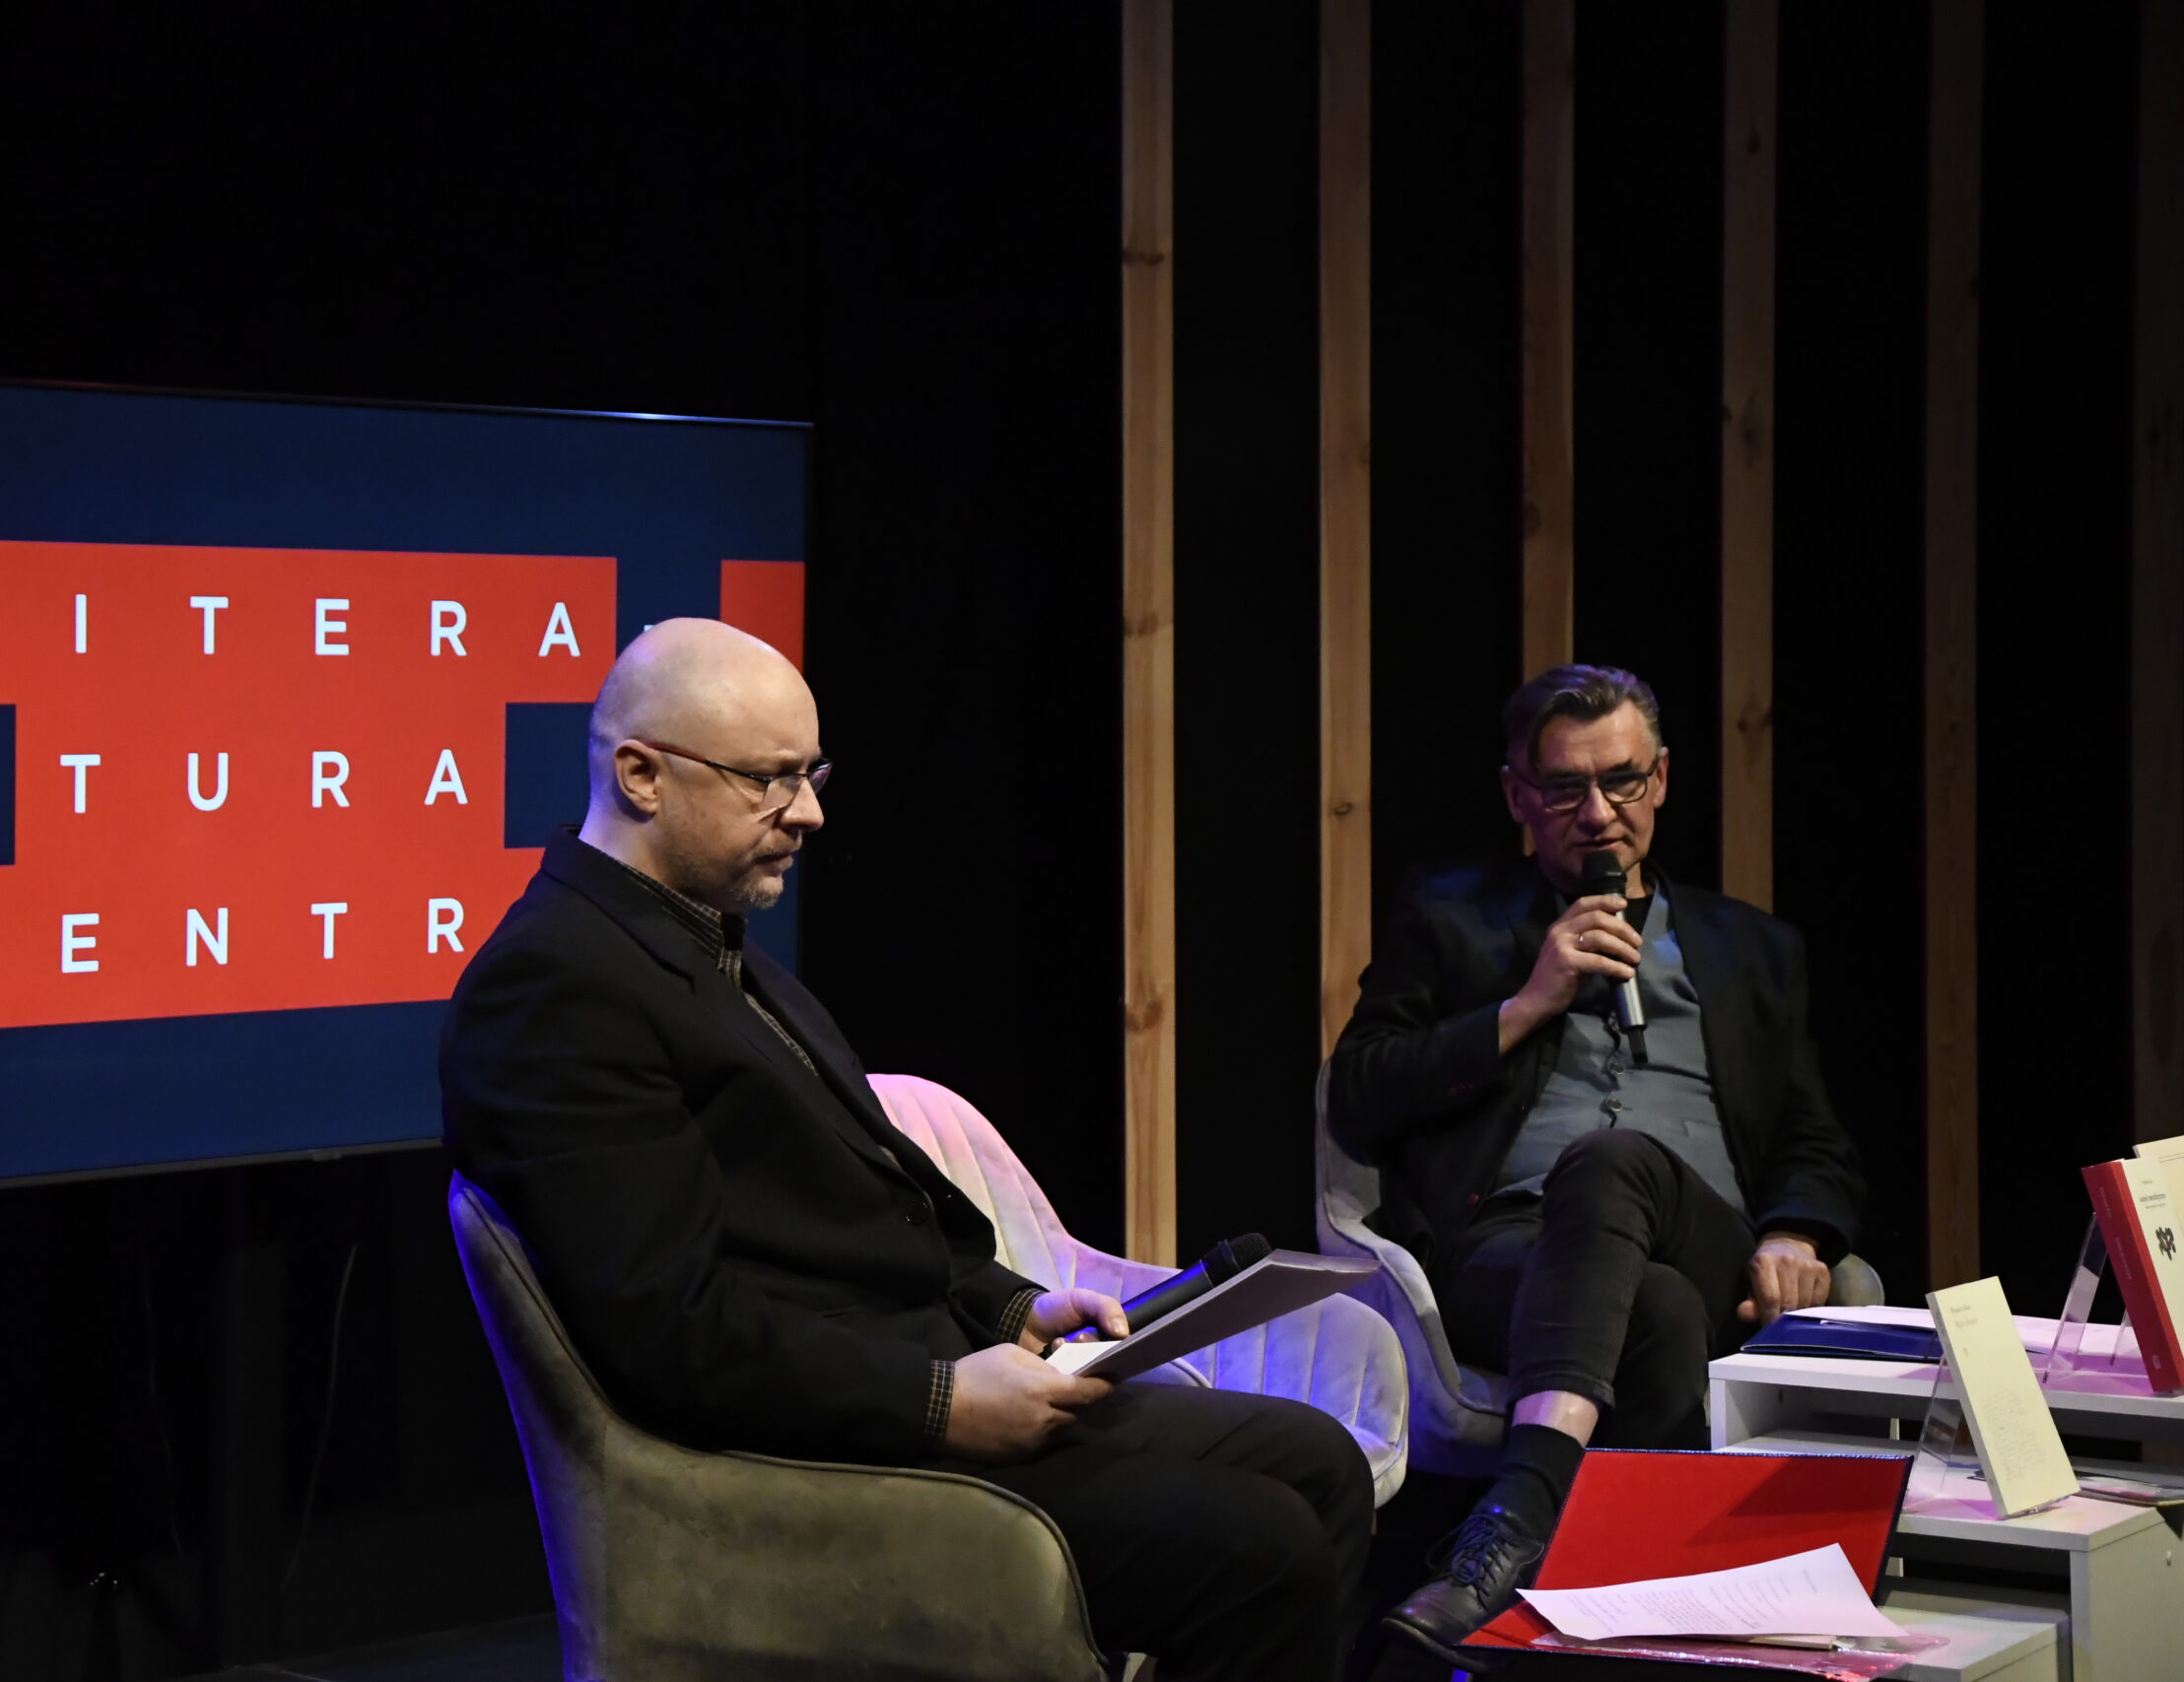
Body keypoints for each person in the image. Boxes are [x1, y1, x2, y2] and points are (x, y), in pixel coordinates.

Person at [444, 619, 1372, 1680]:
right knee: (1261, 1547)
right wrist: (939, 1401)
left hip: (909, 1374)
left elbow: (861, 1210)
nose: (809, 812)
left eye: (811, 774)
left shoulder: (702, 939)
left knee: (1320, 1463)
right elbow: (670, 1332)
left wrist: (1013, 1308)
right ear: (641, 775)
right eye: (769, 780)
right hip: (802, 1450)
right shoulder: (555, 988)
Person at [1328, 663, 1866, 1662]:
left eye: (1620, 781)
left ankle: (1510, 1527)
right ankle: (1630, 1638)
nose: (1597, 813)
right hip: (1512, 1245)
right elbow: (1358, 1091)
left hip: (1705, 1233)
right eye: (1565, 788)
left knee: (1616, 1162)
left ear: (1659, 779)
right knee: (1655, 1312)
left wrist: (1796, 1230)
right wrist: (1526, 1003)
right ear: (1517, 796)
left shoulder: (1751, 948)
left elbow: (1815, 1138)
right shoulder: (1449, 916)